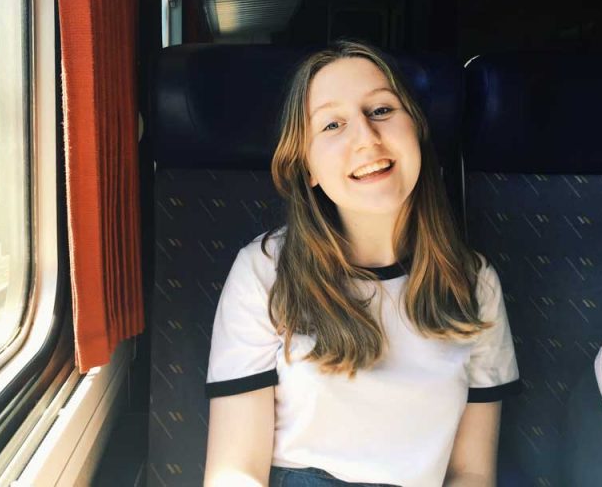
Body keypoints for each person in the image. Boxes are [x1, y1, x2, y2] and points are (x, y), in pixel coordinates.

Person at [203, 40, 521, 486]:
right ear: (308, 168)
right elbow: (235, 470)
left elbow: (471, 472)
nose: (367, 139)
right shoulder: (265, 270)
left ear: (417, 132)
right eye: (333, 124)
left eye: (382, 110)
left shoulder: (474, 282)